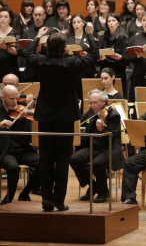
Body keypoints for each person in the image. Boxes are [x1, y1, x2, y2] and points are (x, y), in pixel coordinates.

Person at [26, 23, 99, 211]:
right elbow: (93, 56)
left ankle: (46, 199)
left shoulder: (41, 62)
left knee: (46, 158)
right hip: (65, 117)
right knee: (63, 159)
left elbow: (29, 53)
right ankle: (58, 200)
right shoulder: (71, 63)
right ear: (65, 48)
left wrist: (36, 37)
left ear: (47, 47)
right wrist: (90, 35)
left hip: (45, 117)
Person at [70, 90, 124, 203]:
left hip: (108, 148)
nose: (92, 105)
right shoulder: (91, 111)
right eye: (90, 103)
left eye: (95, 102)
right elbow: (81, 119)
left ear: (104, 101)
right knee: (74, 159)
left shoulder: (113, 115)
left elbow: (112, 136)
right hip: (92, 147)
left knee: (97, 163)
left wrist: (102, 130)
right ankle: (94, 186)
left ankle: (103, 192)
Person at [0, 85, 40, 205]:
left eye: (17, 98)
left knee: (44, 163)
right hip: (5, 152)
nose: (15, 101)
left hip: (22, 150)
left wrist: (26, 121)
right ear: (3, 98)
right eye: (12, 99)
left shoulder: (22, 112)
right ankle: (9, 198)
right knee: (13, 167)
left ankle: (25, 193)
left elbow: (29, 136)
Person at [98, 13, 129, 97]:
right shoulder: (103, 37)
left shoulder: (123, 37)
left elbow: (127, 58)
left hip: (118, 70)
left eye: (113, 21)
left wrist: (120, 57)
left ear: (118, 23)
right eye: (109, 21)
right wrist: (99, 57)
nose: (111, 23)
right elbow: (99, 52)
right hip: (105, 69)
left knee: (119, 96)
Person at [19, 6, 52, 82]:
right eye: (35, 15)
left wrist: (41, 50)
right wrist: (33, 52)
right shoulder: (26, 32)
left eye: (40, 15)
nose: (37, 17)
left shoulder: (51, 31)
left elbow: (53, 49)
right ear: (32, 16)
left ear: (44, 16)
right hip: (31, 71)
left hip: (46, 69)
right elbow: (22, 50)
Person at [0, 7, 21, 80]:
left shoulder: (15, 33)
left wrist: (6, 48)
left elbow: (18, 51)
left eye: (5, 17)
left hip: (11, 68)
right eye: (0, 17)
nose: (3, 19)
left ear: (10, 20)